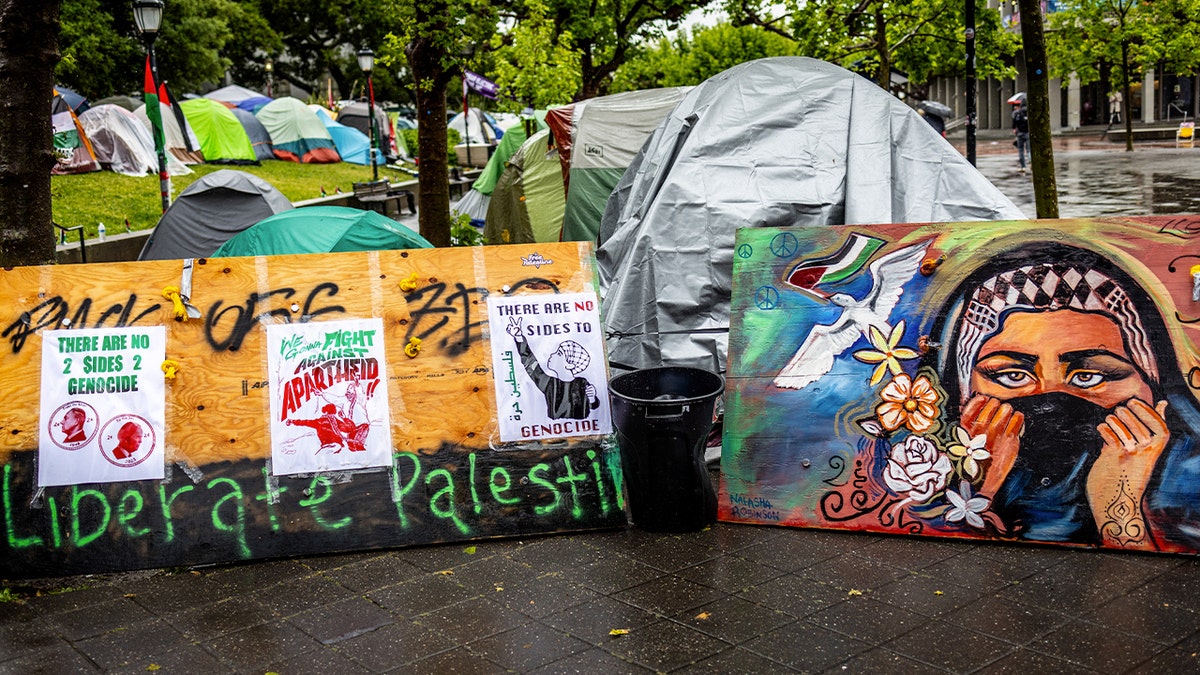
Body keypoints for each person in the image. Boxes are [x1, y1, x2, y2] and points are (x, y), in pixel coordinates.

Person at [929, 243, 1200, 551]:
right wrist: (980, 481)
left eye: (1089, 376)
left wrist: (1119, 502)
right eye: (1012, 376)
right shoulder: (927, 470)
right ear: (963, 388)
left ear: (1152, 385)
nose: (1048, 398)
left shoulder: (1188, 484)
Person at [506, 317, 600, 420]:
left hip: (583, 433)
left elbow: (594, 409)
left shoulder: (582, 383)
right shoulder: (549, 383)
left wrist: (592, 398)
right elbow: (530, 364)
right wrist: (519, 338)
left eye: (559, 353)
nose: (552, 354)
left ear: (570, 365)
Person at [1012, 103, 1030, 173]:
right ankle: (1030, 160)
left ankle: (1023, 166)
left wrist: (1014, 128)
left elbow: (1014, 122)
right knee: (1029, 150)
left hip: (1020, 133)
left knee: (1021, 150)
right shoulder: (1029, 112)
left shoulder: (1018, 113)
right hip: (1028, 133)